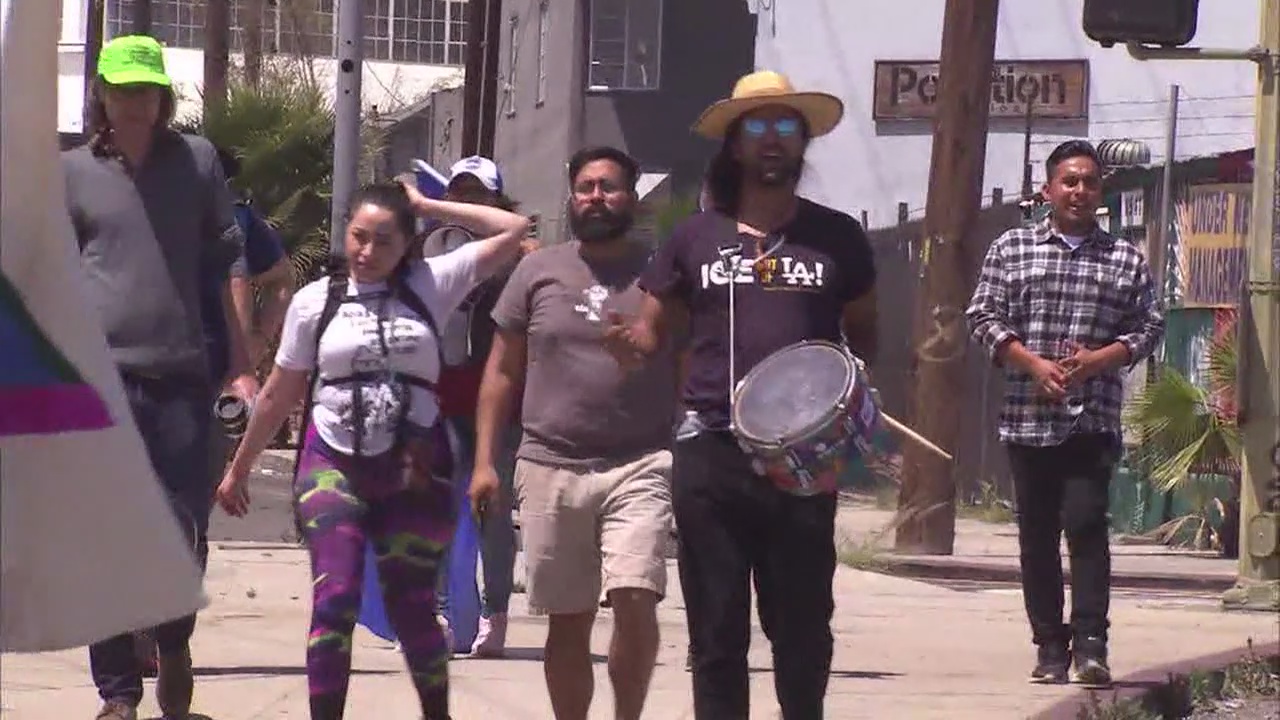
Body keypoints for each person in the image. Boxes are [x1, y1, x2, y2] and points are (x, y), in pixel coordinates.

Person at [602, 71, 878, 719]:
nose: (773, 140)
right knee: (717, 630)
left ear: (802, 142)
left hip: (804, 460)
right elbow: (651, 332)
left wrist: (851, 408)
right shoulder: (694, 237)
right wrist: (629, 345)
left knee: (803, 626)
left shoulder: (837, 236)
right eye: (757, 127)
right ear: (734, 144)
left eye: (787, 126)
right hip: (711, 452)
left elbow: (864, 337)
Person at [214, 180, 529, 720]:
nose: (366, 251)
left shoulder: (434, 281)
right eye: (358, 237)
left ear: (407, 243)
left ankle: (437, 712)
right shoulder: (317, 301)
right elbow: (278, 393)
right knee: (335, 598)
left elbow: (515, 230)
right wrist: (237, 469)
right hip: (333, 463)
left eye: (384, 240)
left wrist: (428, 205)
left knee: (413, 610)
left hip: (416, 469)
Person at [61, 35, 245, 720]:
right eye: (122, 89)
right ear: (101, 95)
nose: (135, 103)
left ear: (163, 96)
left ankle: (171, 638)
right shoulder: (72, 173)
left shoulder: (194, 163)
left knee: (182, 530)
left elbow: (228, 264)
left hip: (183, 379)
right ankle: (118, 693)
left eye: (146, 90)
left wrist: (245, 363)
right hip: (100, 382)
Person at [469, 146, 678, 720]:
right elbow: (502, 370)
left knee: (636, 595)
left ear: (632, 196)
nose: (596, 197)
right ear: (571, 195)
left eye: (609, 186)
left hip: (639, 461)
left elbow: (685, 364)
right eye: (586, 186)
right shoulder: (538, 270)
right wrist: (485, 461)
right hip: (549, 462)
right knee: (569, 617)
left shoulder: (662, 275)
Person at [965, 140, 1164, 687]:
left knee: (1085, 525)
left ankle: (1092, 646)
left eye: (1089, 182)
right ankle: (1050, 646)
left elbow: (1149, 325)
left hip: (1092, 419)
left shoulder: (1123, 258)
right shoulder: (1012, 249)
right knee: (1037, 534)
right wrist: (1032, 364)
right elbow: (982, 315)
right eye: (1069, 182)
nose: (1079, 191)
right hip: (1028, 419)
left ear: (1101, 193)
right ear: (1048, 189)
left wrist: (1098, 360)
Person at [428, 155, 533, 656]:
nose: (466, 202)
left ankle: (497, 612)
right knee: (444, 507)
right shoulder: (433, 248)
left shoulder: (517, 255)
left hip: (499, 402)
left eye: (478, 193)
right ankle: (444, 613)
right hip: (443, 396)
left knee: (492, 509)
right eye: (458, 193)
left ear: (496, 199)